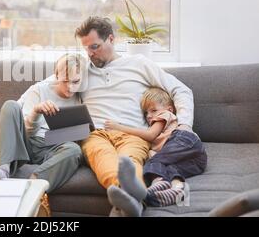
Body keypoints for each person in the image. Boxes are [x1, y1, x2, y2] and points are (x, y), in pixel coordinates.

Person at [74, 16, 195, 203]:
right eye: (85, 48)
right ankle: (137, 198)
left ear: (111, 39)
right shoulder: (80, 70)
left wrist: (185, 124)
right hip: (96, 134)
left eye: (95, 46)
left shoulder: (138, 63)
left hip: (133, 134)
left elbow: (181, 90)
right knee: (104, 161)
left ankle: (130, 200)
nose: (89, 53)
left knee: (129, 162)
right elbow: (47, 87)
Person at [0, 53, 86, 193]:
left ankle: (32, 186)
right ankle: (3, 169)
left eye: (75, 82)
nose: (70, 87)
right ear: (56, 75)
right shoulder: (39, 90)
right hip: (28, 143)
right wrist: (36, 112)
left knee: (74, 150)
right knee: (10, 105)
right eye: (65, 81)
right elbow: (26, 131)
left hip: (53, 147)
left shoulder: (82, 97)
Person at [106, 87, 207, 216]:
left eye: (153, 110)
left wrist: (118, 127)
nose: (149, 116)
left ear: (169, 109)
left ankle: (156, 186)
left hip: (183, 139)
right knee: (170, 169)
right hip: (197, 160)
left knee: (154, 163)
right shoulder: (161, 129)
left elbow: (150, 135)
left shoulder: (165, 115)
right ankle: (177, 190)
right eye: (146, 113)